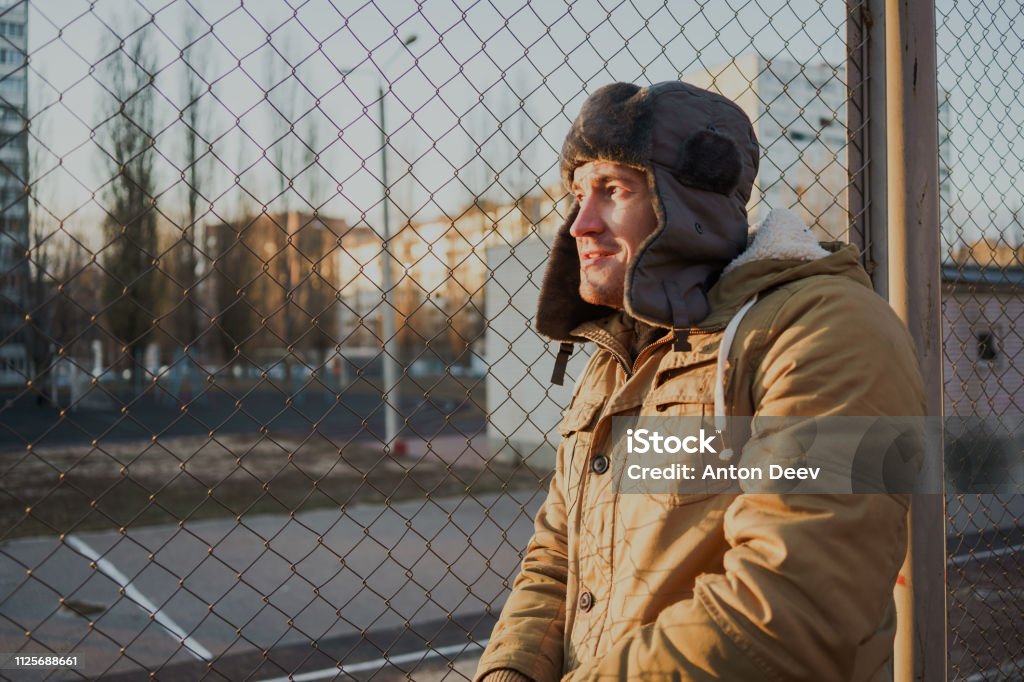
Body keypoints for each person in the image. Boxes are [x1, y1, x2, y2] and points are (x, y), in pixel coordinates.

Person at [473, 81, 926, 681]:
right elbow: (557, 558)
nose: (579, 222)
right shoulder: (622, 355)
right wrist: (509, 672)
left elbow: (790, 612)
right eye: (578, 193)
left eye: (612, 190)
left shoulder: (827, 331)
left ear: (689, 204)